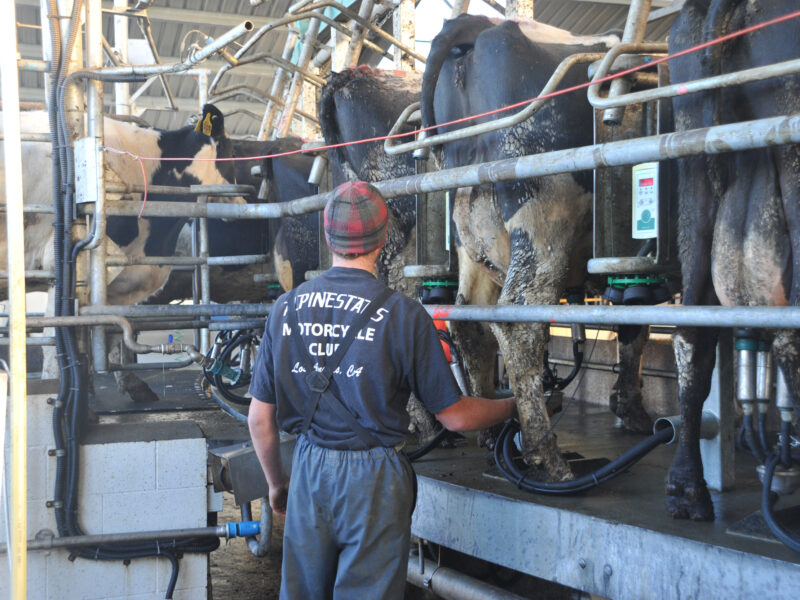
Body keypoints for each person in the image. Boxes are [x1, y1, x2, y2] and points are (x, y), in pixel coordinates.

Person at [248, 181, 516, 600]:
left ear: (326, 234)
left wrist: (278, 484)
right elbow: (456, 417)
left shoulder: (286, 308)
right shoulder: (404, 315)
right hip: (374, 481)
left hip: (309, 469)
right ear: (385, 237)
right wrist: (514, 407)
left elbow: (259, 418)